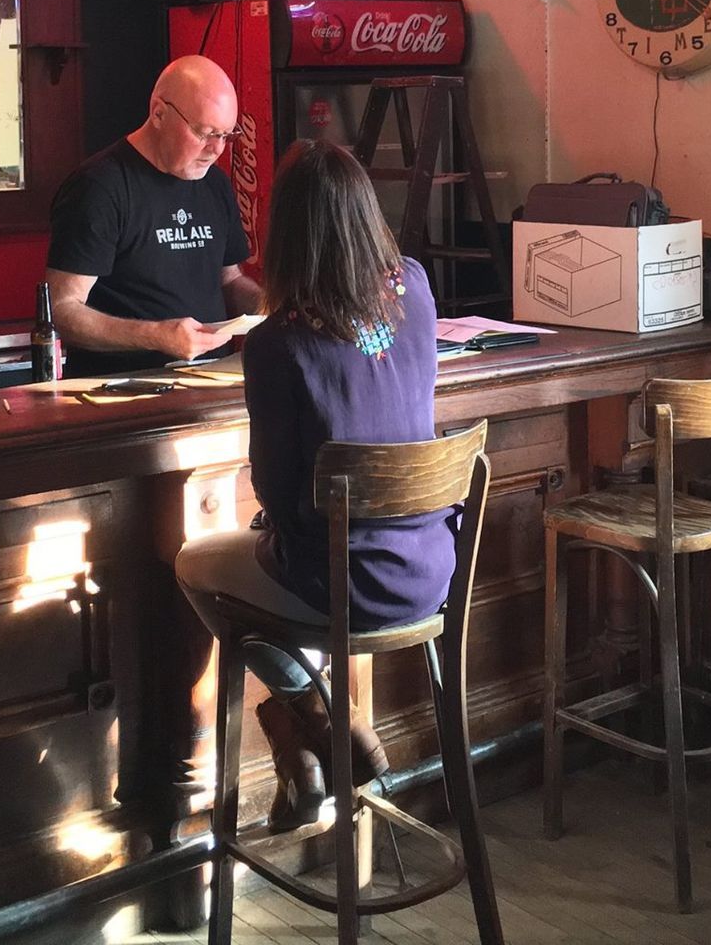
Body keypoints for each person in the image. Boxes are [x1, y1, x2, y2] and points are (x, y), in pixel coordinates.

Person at [174, 141, 453, 827]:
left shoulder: (277, 343)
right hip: (434, 569)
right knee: (267, 564)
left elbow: (272, 490)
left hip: (344, 583)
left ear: (287, 234)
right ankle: (307, 734)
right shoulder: (413, 285)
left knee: (192, 564)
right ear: (367, 214)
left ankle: (314, 712)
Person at [45, 56, 264, 375]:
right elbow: (61, 310)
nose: (217, 150)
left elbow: (229, 280)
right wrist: (155, 336)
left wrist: (271, 307)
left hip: (212, 378)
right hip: (123, 388)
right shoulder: (100, 186)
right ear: (159, 113)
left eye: (227, 136)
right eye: (204, 133)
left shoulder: (214, 183)